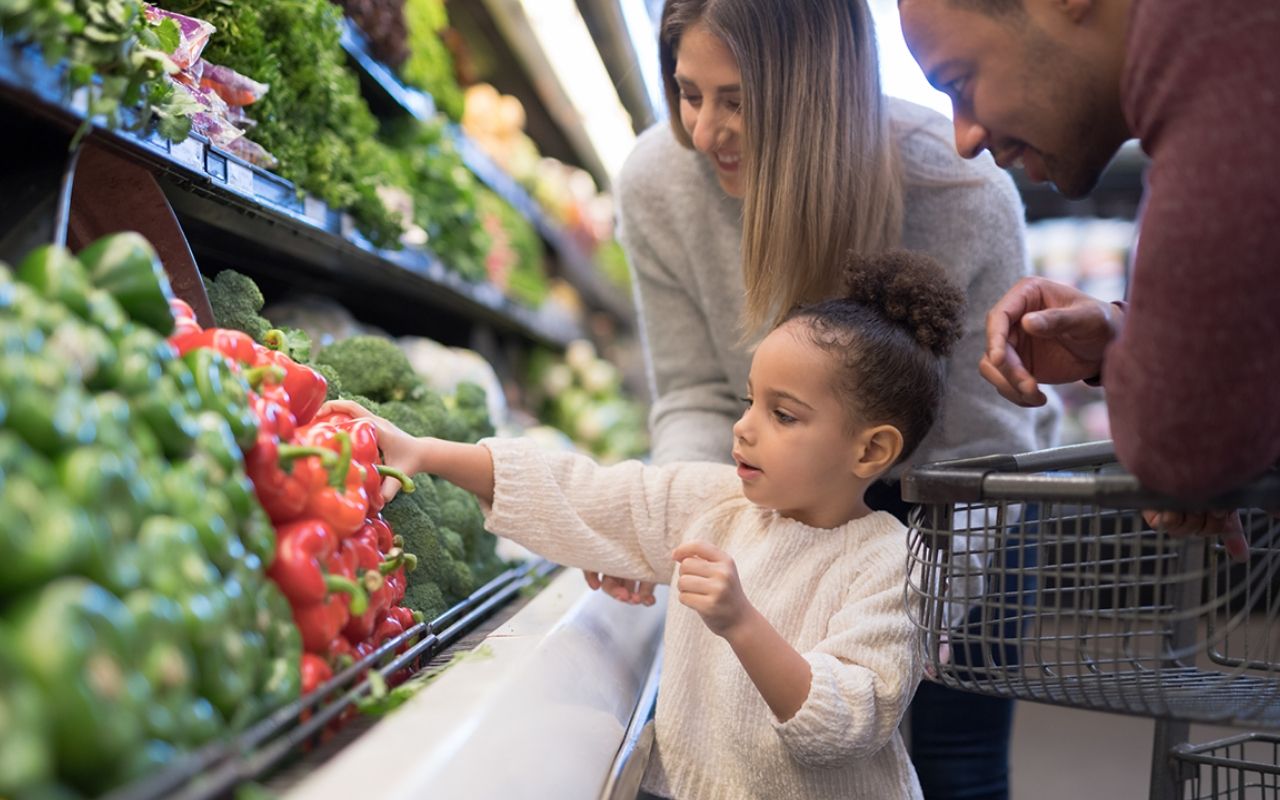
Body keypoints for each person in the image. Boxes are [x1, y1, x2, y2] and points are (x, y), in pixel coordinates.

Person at [590, 1, 1060, 797]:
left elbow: (982, 447)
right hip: (778, 503)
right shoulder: (658, 182)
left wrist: (908, 628)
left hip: (951, 506)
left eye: (736, 100)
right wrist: (677, 527)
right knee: (771, 753)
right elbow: (697, 394)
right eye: (689, 92)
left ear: (817, 92)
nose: (705, 132)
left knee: (959, 766)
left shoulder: (960, 192)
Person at [329, 251, 964, 799]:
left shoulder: (890, 564)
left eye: (784, 415)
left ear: (870, 452)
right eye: (750, 400)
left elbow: (844, 723)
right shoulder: (716, 504)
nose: (744, 427)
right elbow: (589, 494)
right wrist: (426, 452)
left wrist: (741, 622)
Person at [896, 0, 1280, 506]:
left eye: (959, 83)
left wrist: (1160, 385)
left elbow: (1180, 451)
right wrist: (1123, 334)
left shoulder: (1225, 75)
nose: (963, 138)